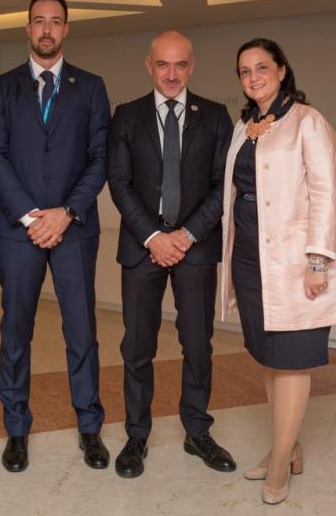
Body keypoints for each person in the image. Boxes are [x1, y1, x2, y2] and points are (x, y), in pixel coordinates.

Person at [0, 0, 111, 472]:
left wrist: (66, 212)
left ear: (67, 29)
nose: (47, 30)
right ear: (27, 27)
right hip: (20, 232)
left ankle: (90, 428)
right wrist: (32, 215)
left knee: (81, 332)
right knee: (15, 331)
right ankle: (16, 428)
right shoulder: (2, 87)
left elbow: (101, 158)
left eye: (56, 22)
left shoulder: (91, 87)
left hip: (75, 230)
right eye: (39, 21)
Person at [106, 30, 235, 478]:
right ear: (149, 65)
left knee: (197, 345)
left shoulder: (217, 117)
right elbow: (119, 183)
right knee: (137, 346)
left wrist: (186, 235)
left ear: (192, 66)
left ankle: (197, 430)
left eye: (181, 64)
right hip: (142, 250)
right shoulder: (126, 117)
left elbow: (225, 185)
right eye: (164, 64)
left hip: (195, 250)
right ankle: (136, 435)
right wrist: (154, 237)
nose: (172, 73)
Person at [223, 38, 336, 505]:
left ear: (281, 70)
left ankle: (279, 465)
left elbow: (326, 195)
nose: (253, 77)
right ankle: (287, 447)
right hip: (251, 258)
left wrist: (318, 261)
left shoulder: (308, 122)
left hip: (295, 262)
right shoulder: (245, 125)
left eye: (262, 68)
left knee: (292, 359)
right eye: (244, 71)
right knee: (271, 357)